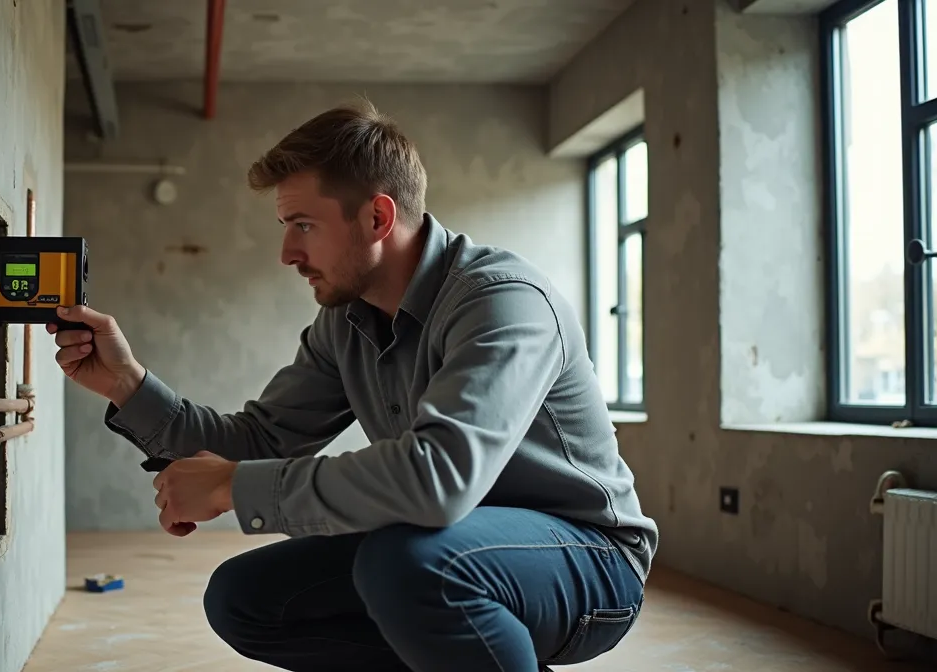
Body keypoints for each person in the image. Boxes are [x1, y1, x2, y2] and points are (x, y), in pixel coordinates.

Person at [46, 101, 657, 672]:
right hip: (447, 544)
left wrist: (235, 485)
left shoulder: (502, 302)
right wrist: (128, 385)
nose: (287, 252)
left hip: (590, 559)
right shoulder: (344, 322)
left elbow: (437, 479)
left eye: (303, 225)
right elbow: (259, 439)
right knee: (245, 597)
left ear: (377, 216)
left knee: (409, 566)